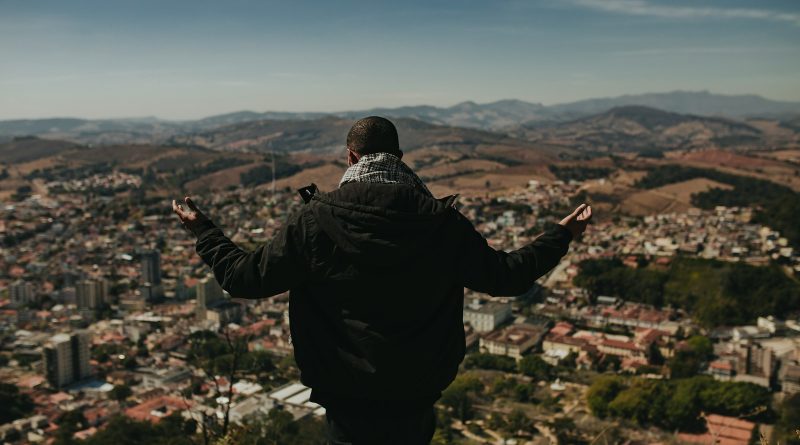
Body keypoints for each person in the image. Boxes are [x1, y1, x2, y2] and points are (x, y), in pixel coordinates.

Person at [172, 116, 592, 444]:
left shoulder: (314, 220)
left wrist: (204, 231)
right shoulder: (441, 224)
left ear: (350, 158)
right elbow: (508, 276)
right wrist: (562, 234)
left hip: (344, 393)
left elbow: (245, 279)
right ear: (400, 157)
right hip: (416, 392)